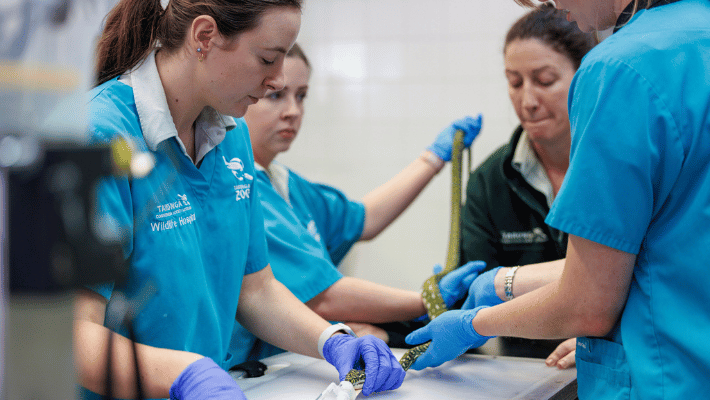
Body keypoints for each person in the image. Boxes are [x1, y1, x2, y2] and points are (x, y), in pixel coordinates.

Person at [73, 1, 406, 398]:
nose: (277, 80)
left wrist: (332, 340)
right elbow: (73, 339)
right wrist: (186, 374)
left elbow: (255, 290)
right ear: (204, 37)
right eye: (268, 58)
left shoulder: (233, 138)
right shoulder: (100, 136)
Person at [405, 0, 710, 398]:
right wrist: (503, 281)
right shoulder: (695, 39)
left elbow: (590, 299)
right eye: (514, 82)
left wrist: (473, 323)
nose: (550, 3)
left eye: (544, 79)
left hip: (664, 377)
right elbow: (665, 253)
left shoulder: (618, 69)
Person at [228, 42, 486, 363]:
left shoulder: (288, 185)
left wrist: (432, 158)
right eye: (276, 95)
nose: (293, 110)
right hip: (255, 369)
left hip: (293, 363)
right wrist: (427, 301)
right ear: (242, 95)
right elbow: (322, 298)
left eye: (302, 95)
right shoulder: (238, 189)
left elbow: (364, 219)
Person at [457, 3, 595, 367]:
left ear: (587, 75)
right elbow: (466, 292)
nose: (527, 101)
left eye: (545, 80)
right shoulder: (491, 180)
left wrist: (603, 335)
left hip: (610, 360)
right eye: (515, 83)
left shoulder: (615, 165)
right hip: (525, 371)